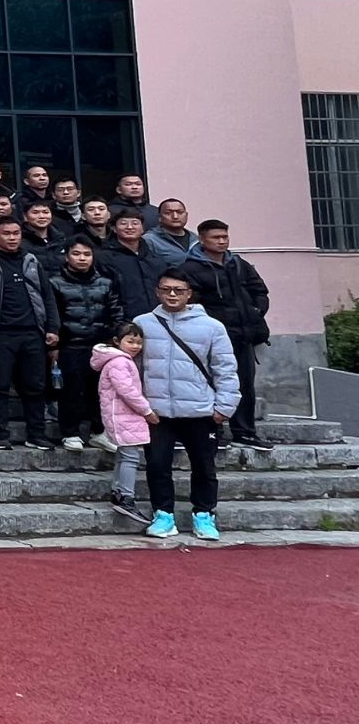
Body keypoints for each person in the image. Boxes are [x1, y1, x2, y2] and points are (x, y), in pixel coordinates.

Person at [136, 269, 241, 540]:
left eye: (178, 290)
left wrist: (225, 406)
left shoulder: (212, 327)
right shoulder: (142, 324)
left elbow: (225, 368)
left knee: (204, 466)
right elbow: (133, 367)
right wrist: (140, 405)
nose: (172, 295)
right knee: (157, 465)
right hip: (157, 411)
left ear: (189, 293)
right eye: (166, 289)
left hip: (200, 410)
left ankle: (204, 514)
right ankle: (163, 514)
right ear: (157, 292)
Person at [181, 219, 272, 450]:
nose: (222, 241)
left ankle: (244, 432)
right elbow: (190, 302)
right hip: (212, 337)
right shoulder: (190, 268)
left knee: (244, 385)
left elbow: (259, 290)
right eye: (216, 237)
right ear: (202, 240)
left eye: (225, 237)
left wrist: (256, 311)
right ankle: (215, 432)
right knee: (212, 383)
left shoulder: (238, 264)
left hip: (243, 334)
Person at [0, 218, 59, 450]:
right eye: (7, 233)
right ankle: (0, 435)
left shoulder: (31, 260)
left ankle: (36, 434)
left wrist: (52, 328)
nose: (12, 238)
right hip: (0, 334)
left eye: (16, 233)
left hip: (33, 332)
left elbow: (47, 296)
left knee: (35, 386)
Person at [47, 237, 122, 450]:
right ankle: (70, 433)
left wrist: (114, 339)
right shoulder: (55, 283)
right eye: (76, 254)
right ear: (67, 256)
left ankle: (99, 432)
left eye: (87, 254)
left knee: (101, 391)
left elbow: (116, 312)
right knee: (71, 391)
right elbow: (52, 315)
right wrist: (54, 346)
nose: (82, 258)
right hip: (70, 345)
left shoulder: (106, 282)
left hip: (100, 345)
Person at [93, 322, 155, 523]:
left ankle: (118, 491)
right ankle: (126, 497)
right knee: (130, 457)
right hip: (123, 416)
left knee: (124, 454)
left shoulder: (121, 360)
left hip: (123, 415)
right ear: (117, 341)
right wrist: (147, 411)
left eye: (139, 342)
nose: (136, 346)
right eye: (130, 341)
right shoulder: (120, 362)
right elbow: (127, 391)